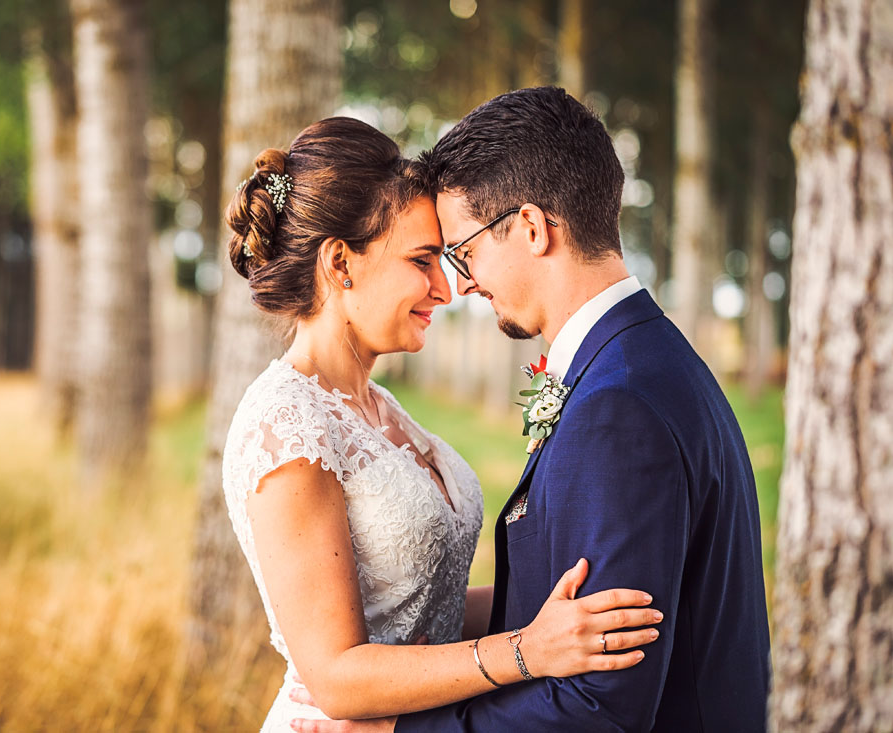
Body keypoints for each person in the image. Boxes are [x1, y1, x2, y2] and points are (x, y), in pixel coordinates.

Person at [295, 88, 772, 732]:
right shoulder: (643, 360)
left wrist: (400, 730)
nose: (460, 283)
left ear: (530, 227)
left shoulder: (617, 406)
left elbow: (599, 705)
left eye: (463, 251)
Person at [221, 116, 663, 733]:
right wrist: (526, 652)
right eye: (423, 260)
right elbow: (337, 678)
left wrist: (570, 611)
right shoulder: (286, 427)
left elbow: (432, 609)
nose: (446, 288)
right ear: (341, 263)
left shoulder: (375, 407)